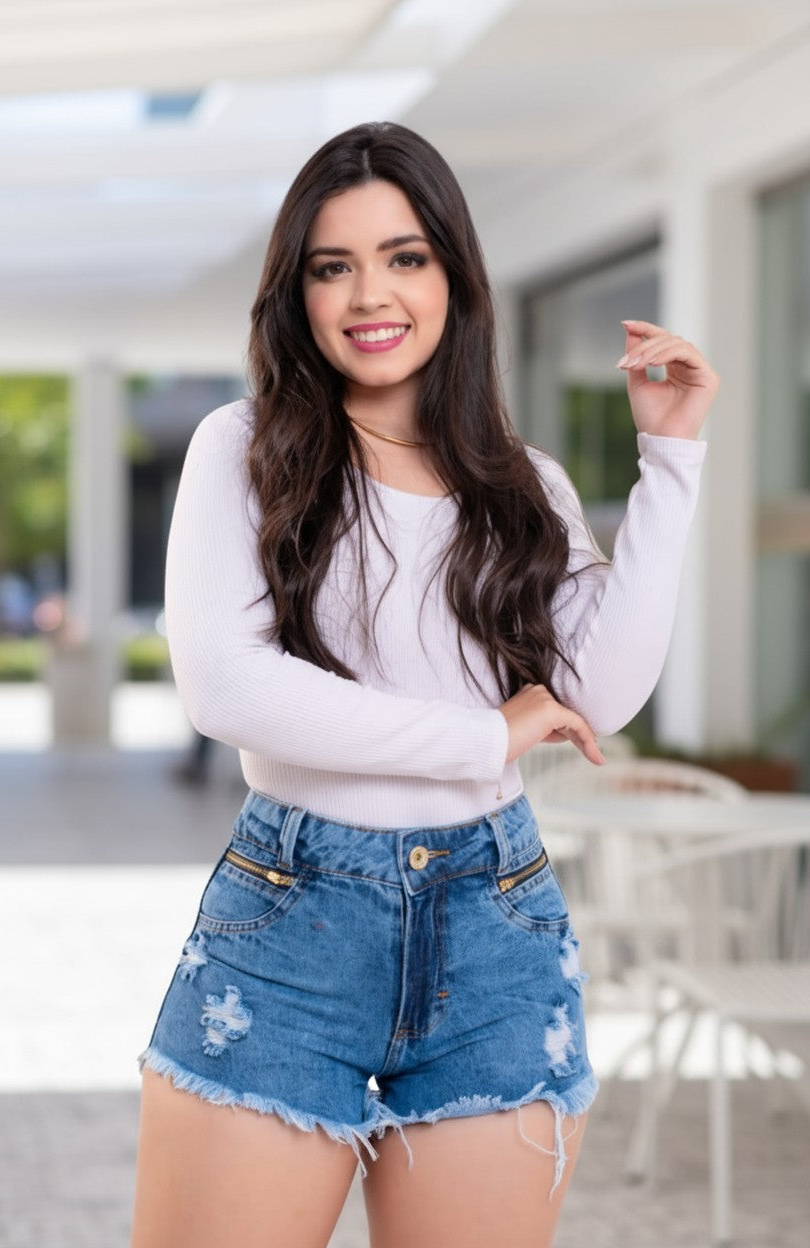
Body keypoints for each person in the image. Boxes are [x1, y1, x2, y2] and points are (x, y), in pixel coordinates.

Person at [129, 121, 717, 1248]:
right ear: (295, 291)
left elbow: (596, 687)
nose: (369, 293)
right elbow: (228, 689)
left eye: (404, 257)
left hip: (495, 922)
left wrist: (672, 460)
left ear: (451, 272)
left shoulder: (519, 479)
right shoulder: (243, 446)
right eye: (330, 264)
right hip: (295, 916)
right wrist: (480, 738)